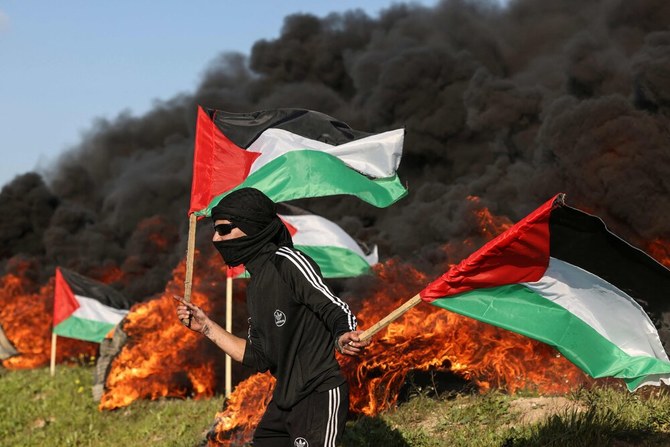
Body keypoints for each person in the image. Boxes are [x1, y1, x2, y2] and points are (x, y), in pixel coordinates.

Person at [175, 187, 370, 447]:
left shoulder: (288, 262)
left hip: (318, 395)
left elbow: (334, 307)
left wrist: (343, 333)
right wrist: (207, 328)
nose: (216, 239)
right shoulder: (255, 284)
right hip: (283, 401)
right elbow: (258, 356)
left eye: (224, 230)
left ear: (251, 227)